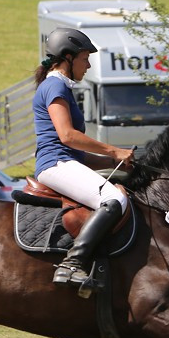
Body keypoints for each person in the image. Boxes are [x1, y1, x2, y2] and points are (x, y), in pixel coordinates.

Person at [33, 28, 134, 294]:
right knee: (114, 200)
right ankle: (73, 263)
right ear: (68, 57)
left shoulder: (59, 86)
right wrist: (113, 151)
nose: (88, 65)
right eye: (85, 58)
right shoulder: (54, 85)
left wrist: (112, 163)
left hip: (64, 162)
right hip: (54, 164)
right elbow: (67, 136)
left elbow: (76, 153)